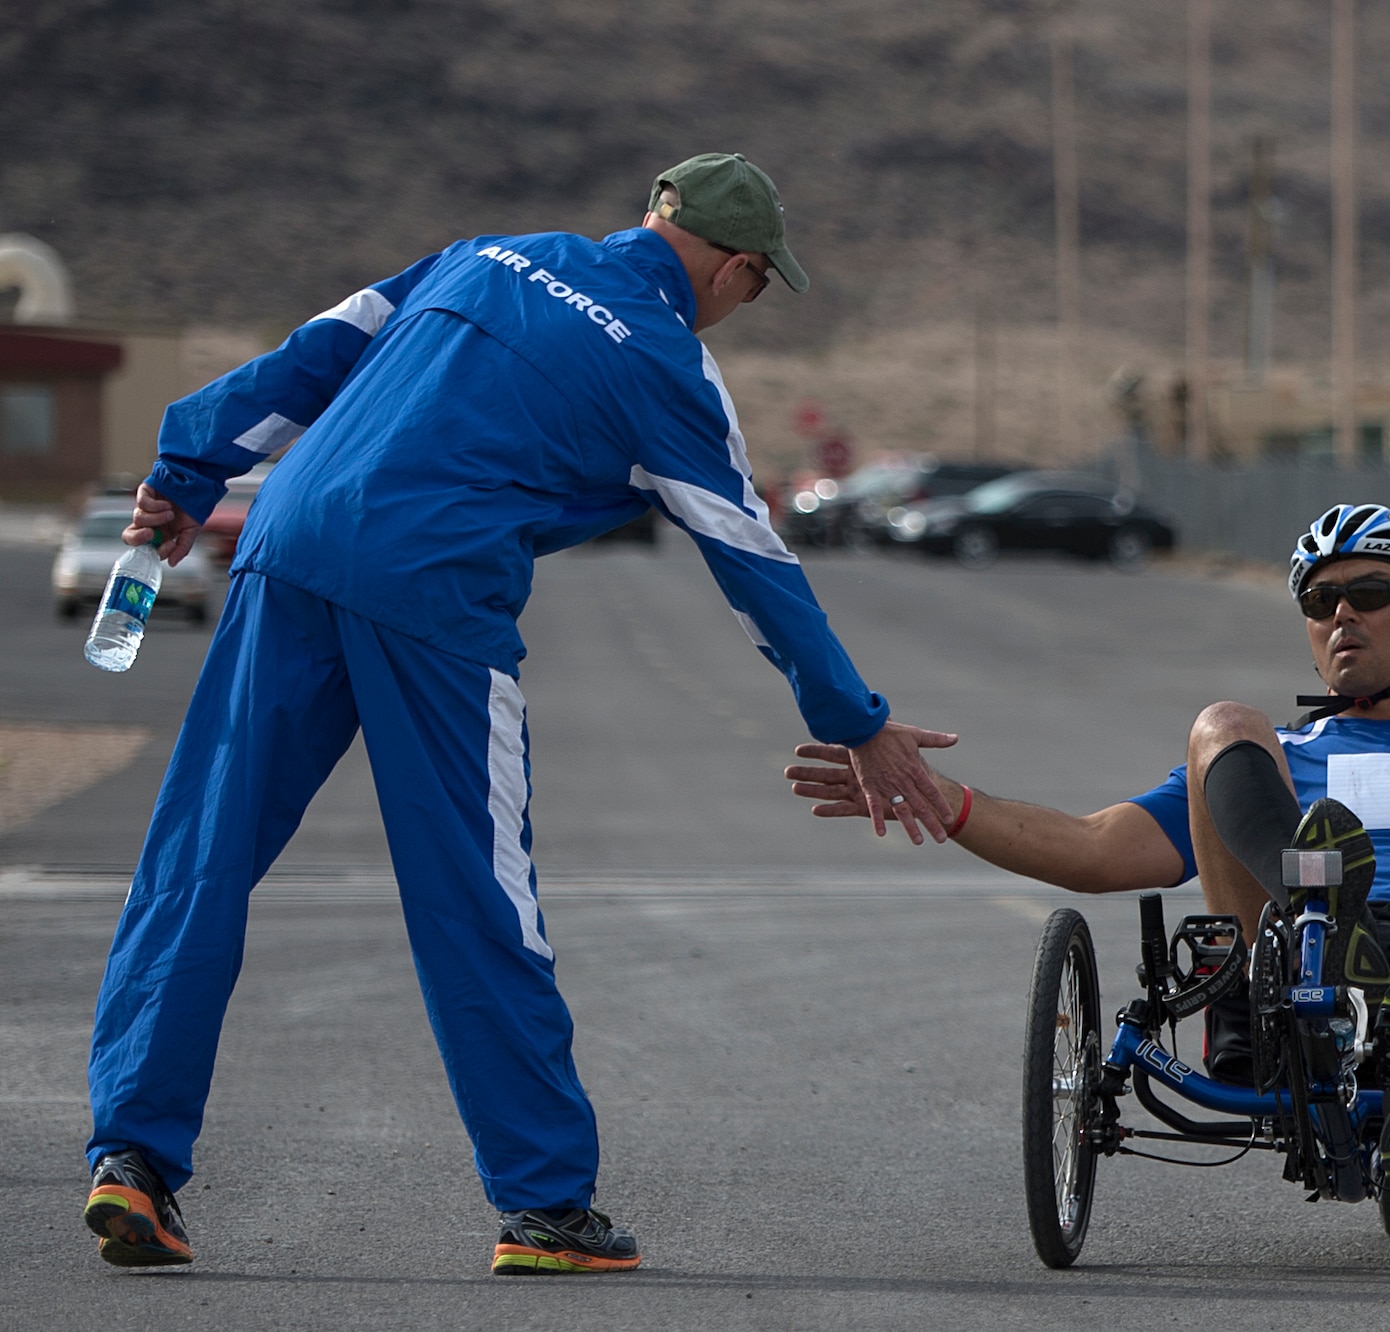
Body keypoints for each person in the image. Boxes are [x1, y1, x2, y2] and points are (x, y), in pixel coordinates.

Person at [83, 153, 958, 1276]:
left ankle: (133, 1168)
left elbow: (311, 356)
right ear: (734, 267)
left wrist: (186, 472)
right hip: (434, 594)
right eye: (753, 286)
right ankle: (543, 1205)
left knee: (199, 860)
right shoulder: (668, 367)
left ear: (650, 215)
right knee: (476, 894)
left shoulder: (485, 254)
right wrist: (855, 717)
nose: (743, 306)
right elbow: (754, 564)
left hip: (287, 545)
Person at [786, 503, 1390, 1191]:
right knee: (1221, 724)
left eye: (1368, 592)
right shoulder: (1271, 762)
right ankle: (1328, 919)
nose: (1341, 615)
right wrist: (944, 800)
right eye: (1320, 603)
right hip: (1300, 974)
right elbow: (1095, 848)